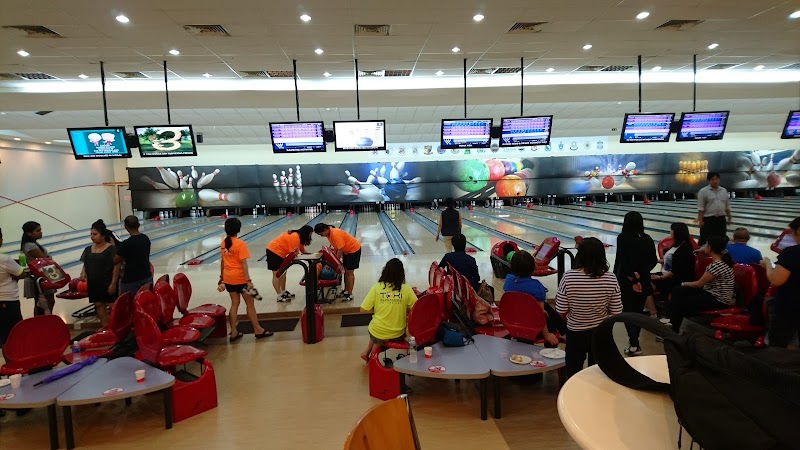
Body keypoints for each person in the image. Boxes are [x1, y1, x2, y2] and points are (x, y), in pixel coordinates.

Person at [555, 237, 622, 379]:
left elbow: (561, 310)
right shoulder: (611, 278)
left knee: (573, 369)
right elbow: (616, 312)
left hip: (575, 332)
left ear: (580, 255)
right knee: (597, 372)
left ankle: (571, 397)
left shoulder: (568, 277)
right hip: (600, 333)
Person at [667, 235, 735, 333]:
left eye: (706, 245)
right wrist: (702, 250)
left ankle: (672, 327)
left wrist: (683, 283)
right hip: (712, 294)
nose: (704, 247)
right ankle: (671, 322)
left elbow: (699, 284)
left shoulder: (716, 265)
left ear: (710, 248)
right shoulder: (723, 259)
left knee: (680, 298)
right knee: (678, 291)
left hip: (718, 300)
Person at [219, 218, 272, 342]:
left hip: (228, 278)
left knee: (234, 304)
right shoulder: (240, 244)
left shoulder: (223, 243)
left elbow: (223, 262)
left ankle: (233, 332)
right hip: (240, 279)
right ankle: (258, 330)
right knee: (250, 304)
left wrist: (222, 278)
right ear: (238, 229)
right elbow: (243, 264)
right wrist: (248, 280)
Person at [613, 211, 657, 356]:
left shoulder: (622, 238)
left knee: (627, 312)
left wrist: (633, 275)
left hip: (627, 280)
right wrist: (641, 273)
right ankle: (634, 343)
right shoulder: (648, 238)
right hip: (644, 280)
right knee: (638, 312)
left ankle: (634, 343)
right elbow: (653, 261)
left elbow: (622, 261)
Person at [359, 258, 417, 362]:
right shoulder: (407, 289)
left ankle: (372, 359)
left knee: (377, 329)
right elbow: (417, 308)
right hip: (398, 333)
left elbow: (363, 310)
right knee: (382, 330)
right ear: (402, 273)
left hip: (378, 331)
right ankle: (367, 353)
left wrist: (379, 308)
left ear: (385, 271)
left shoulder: (376, 288)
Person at [503, 250, 564, 345]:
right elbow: (540, 315)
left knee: (545, 307)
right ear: (532, 267)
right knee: (545, 310)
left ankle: (564, 330)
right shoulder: (536, 286)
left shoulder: (508, 280)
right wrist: (547, 334)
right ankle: (560, 335)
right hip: (533, 325)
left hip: (515, 321)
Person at [761, 217, 800, 348]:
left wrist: (767, 265)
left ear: (797, 231)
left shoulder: (791, 253)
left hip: (791, 309)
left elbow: (776, 280)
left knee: (777, 347)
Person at [78, 220, 119, 326]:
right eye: (91, 234)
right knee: (99, 305)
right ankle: (105, 328)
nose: (92, 236)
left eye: (95, 234)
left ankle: (117, 329)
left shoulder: (111, 249)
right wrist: (83, 273)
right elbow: (86, 263)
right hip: (94, 283)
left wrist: (113, 283)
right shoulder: (88, 249)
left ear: (103, 235)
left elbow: (116, 267)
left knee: (112, 306)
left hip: (107, 282)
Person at [314, 223, 361, 302]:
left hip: (353, 250)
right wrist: (333, 260)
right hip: (347, 251)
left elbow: (340, 249)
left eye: (321, 234)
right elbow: (336, 248)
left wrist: (335, 263)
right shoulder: (329, 234)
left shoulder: (335, 234)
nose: (321, 236)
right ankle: (346, 291)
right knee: (345, 271)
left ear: (325, 230)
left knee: (349, 272)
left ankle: (350, 294)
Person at [266, 225, 313, 302]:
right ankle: (279, 296)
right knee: (276, 274)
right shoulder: (295, 237)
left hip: (281, 253)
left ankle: (283, 292)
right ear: (305, 233)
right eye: (310, 234)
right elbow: (294, 252)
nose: (310, 236)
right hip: (273, 251)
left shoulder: (299, 237)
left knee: (283, 273)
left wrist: (311, 256)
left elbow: (302, 250)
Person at [651, 222, 696, 303]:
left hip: (676, 280)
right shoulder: (676, 245)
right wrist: (657, 260)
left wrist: (660, 278)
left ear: (677, 233)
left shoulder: (684, 250)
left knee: (646, 282)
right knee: (645, 278)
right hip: (668, 275)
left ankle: (652, 307)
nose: (670, 232)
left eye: (672, 230)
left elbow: (676, 271)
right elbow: (671, 262)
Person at [20, 221, 55, 315]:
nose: (41, 232)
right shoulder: (30, 246)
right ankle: (42, 324)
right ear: (29, 233)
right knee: (42, 303)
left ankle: (46, 322)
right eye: (37, 230)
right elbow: (44, 259)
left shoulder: (33, 244)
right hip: (38, 278)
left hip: (42, 275)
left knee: (47, 301)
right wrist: (49, 258)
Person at [1, 227, 27, 349]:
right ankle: (14, 364)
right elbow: (21, 273)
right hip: (8, 300)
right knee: (12, 335)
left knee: (3, 336)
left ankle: (8, 365)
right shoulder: (4, 259)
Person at [114, 216, 152, 296]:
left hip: (131, 280)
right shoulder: (145, 239)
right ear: (138, 225)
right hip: (146, 277)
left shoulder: (126, 244)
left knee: (130, 305)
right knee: (145, 302)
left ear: (125, 227)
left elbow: (115, 260)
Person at [696, 172, 732, 246]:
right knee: (704, 238)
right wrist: (700, 220)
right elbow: (701, 208)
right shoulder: (703, 191)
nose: (715, 181)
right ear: (709, 181)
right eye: (712, 179)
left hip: (721, 219)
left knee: (721, 238)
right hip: (708, 219)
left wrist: (729, 217)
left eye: (717, 179)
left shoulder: (724, 191)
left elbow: (727, 206)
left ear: (719, 180)